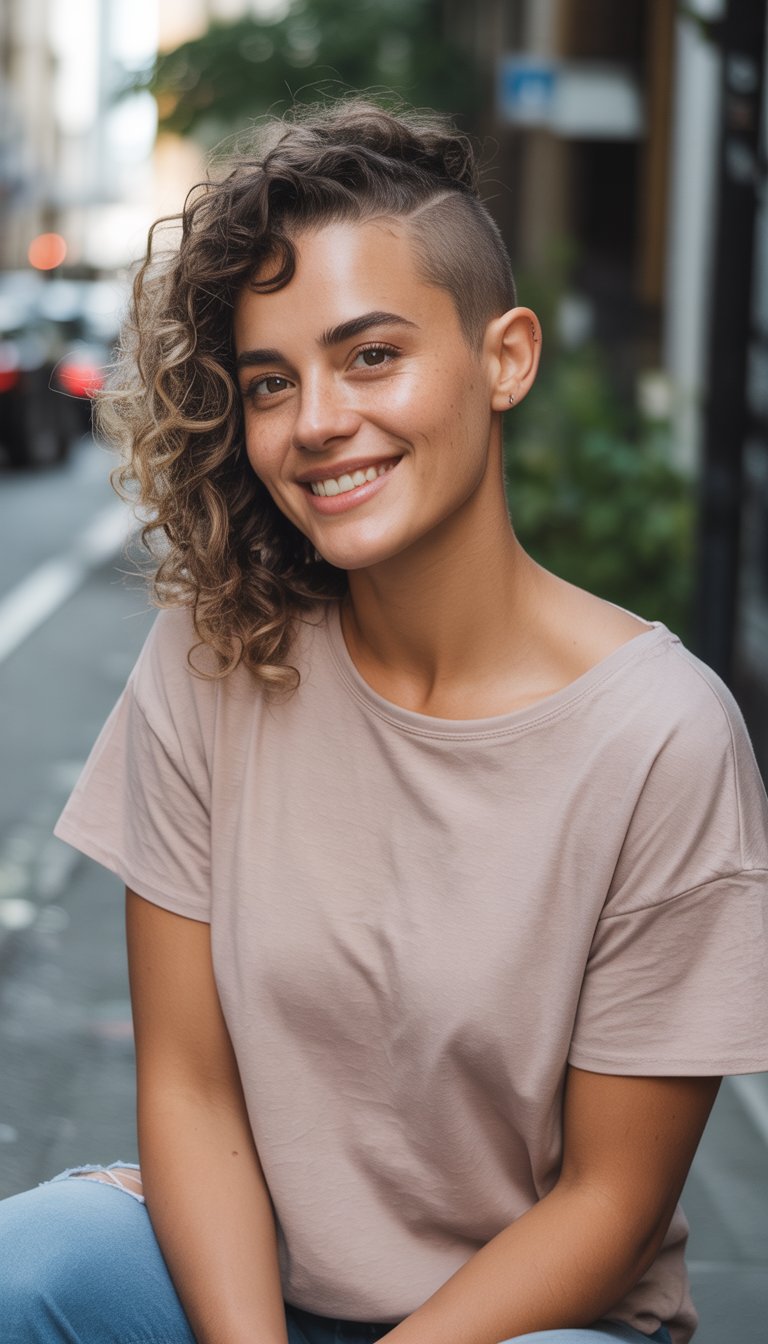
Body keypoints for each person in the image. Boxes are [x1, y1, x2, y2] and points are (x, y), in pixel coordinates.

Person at [1, 98, 767, 1344]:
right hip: (254, 1293)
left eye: (371, 356)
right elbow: (190, 1091)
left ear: (504, 357)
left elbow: (613, 1199)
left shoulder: (664, 735)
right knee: (34, 1259)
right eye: (270, 381)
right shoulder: (213, 658)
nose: (315, 423)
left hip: (531, 1325)